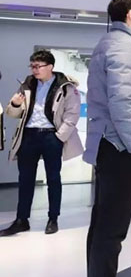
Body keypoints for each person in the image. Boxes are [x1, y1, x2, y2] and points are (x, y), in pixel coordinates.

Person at [84, 0, 131, 277]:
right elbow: (122, 102)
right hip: (120, 147)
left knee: (103, 224)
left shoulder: (112, 42)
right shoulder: (123, 46)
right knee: (112, 228)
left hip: (110, 144)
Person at [0, 50, 82, 236]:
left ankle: (53, 218)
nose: (34, 70)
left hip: (51, 136)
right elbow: (13, 113)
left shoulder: (65, 87)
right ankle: (22, 220)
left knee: (53, 178)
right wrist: (15, 104)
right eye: (32, 66)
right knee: (25, 179)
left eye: (38, 66)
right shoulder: (27, 84)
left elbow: (72, 115)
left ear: (50, 67)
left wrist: (59, 137)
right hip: (28, 136)